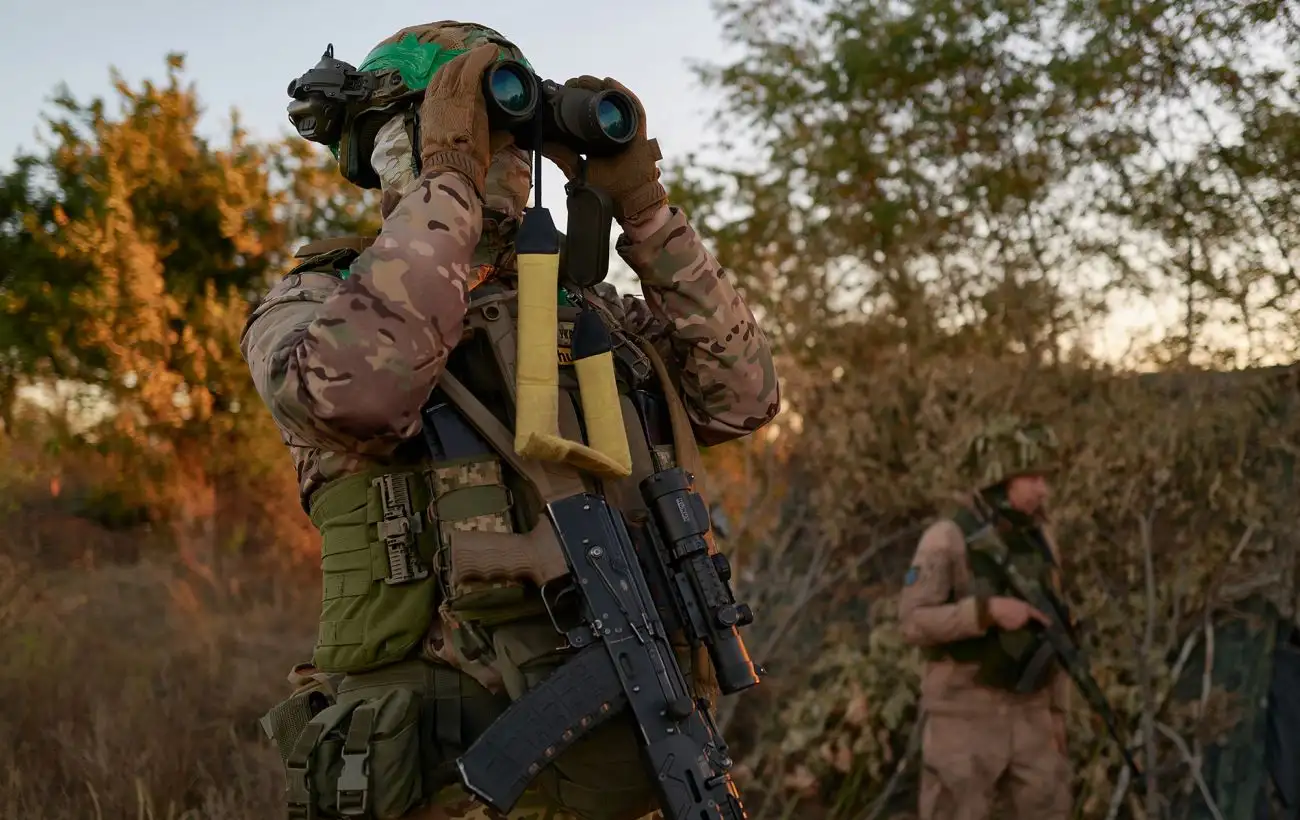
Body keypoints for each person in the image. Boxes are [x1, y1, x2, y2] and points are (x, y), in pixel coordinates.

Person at [242, 19, 779, 820]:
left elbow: (742, 400)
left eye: (507, 136)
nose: (501, 155)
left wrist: (646, 212)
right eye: (467, 126)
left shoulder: (588, 315)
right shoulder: (322, 303)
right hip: (446, 777)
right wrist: (448, 179)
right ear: (395, 141)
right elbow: (356, 396)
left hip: (636, 768)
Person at [898, 418, 1072, 820]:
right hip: (964, 713)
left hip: (1032, 714)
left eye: (1045, 478)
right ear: (1002, 480)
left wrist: (1059, 714)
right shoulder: (947, 538)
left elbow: (1058, 626)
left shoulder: (1042, 539)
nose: (1042, 489)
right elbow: (912, 622)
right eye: (1032, 477)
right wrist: (985, 612)